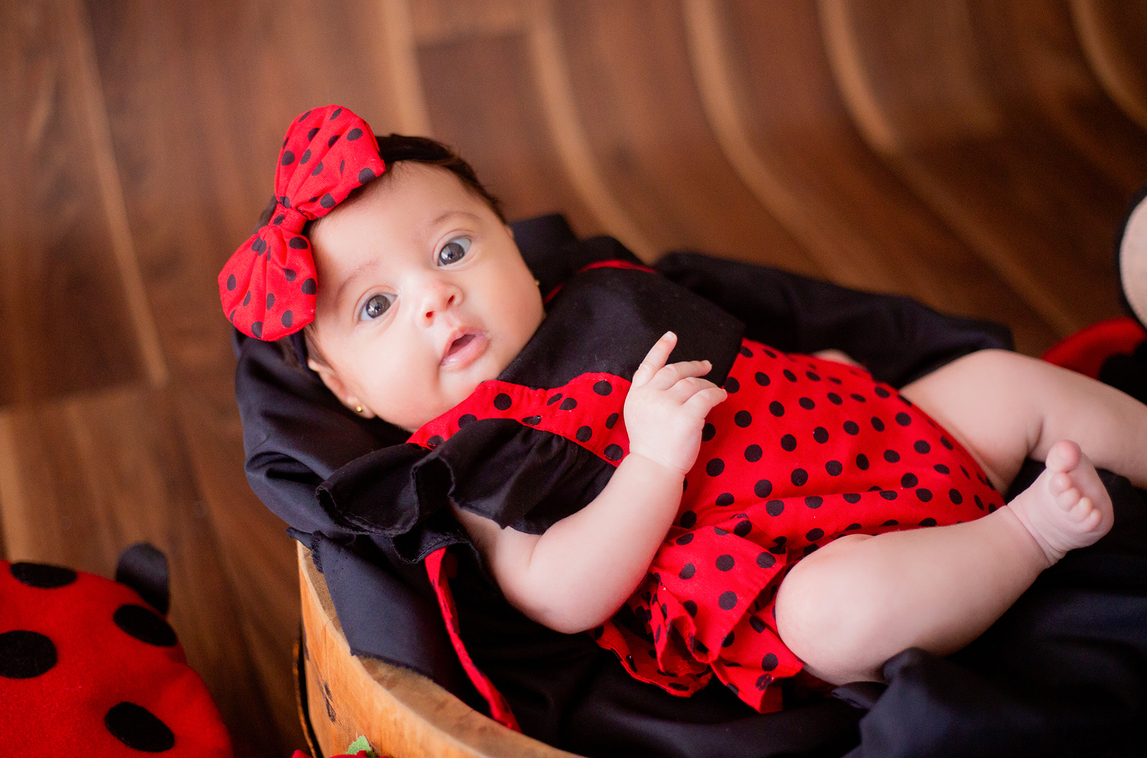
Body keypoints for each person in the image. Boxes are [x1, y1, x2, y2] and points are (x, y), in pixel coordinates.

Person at [220, 106, 1147, 713]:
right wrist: (653, 466)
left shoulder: (601, 296)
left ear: (514, 244)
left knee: (998, 381)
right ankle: (1029, 535)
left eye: (454, 250)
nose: (435, 296)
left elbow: (741, 342)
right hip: (789, 565)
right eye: (376, 308)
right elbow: (558, 593)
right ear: (347, 391)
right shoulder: (461, 464)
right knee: (836, 618)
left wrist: (819, 366)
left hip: (882, 434)